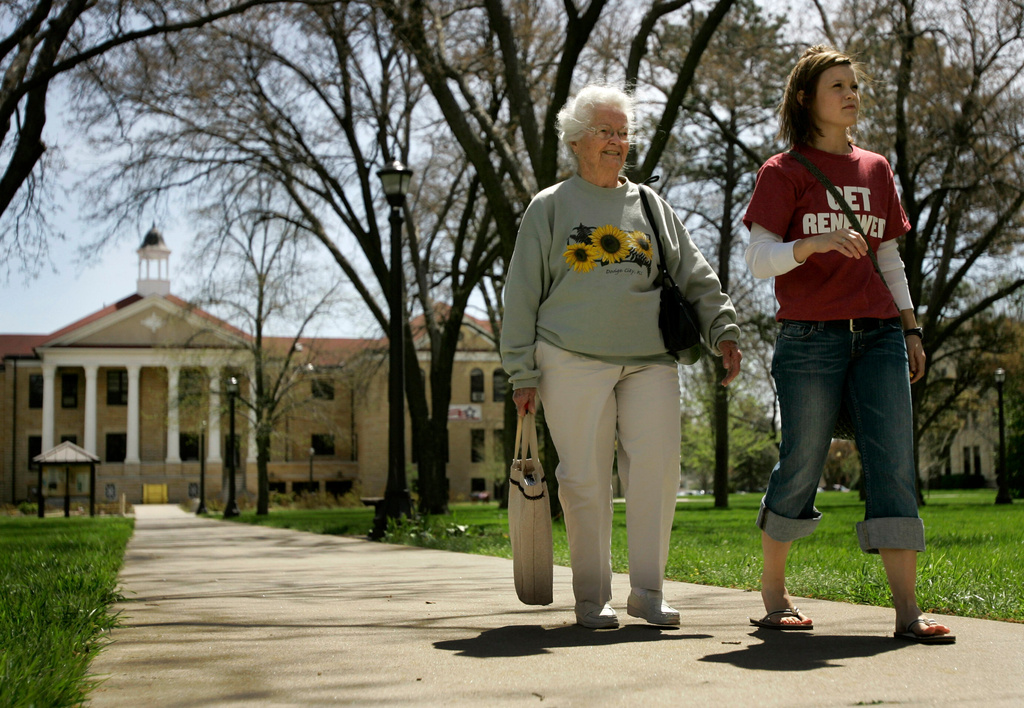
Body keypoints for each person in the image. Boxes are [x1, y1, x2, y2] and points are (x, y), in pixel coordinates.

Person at [500, 84, 742, 629]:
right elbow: (521, 294)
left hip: (650, 359)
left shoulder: (650, 206)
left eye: (623, 132)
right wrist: (521, 369)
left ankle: (649, 593)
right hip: (569, 357)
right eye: (606, 131)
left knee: (656, 473)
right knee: (584, 478)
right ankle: (592, 597)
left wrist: (723, 331)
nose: (617, 141)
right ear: (577, 140)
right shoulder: (550, 206)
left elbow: (694, 274)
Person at [743, 45, 954, 643]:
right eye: (838, 85)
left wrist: (911, 327)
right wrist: (812, 245)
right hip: (810, 339)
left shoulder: (875, 168)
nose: (851, 94)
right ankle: (775, 594)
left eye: (855, 85)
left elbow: (889, 254)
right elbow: (760, 260)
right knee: (803, 461)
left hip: (880, 335)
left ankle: (908, 612)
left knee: (892, 463)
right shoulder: (782, 173)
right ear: (807, 98)